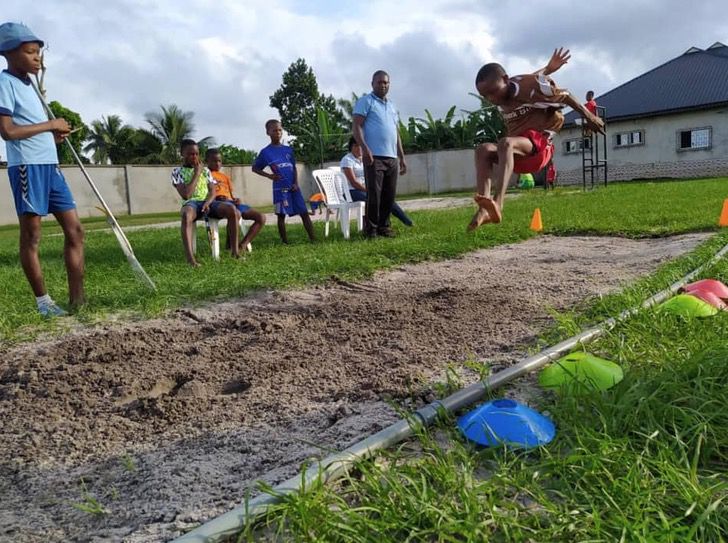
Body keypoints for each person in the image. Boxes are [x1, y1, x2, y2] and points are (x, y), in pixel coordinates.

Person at [0, 22, 84, 317]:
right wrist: (50, 125)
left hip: (50, 166)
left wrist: (53, 135)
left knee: (75, 231)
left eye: (39, 52)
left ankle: (78, 302)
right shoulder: (4, 83)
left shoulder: (32, 86)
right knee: (32, 235)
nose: (37, 57)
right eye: (30, 51)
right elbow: (7, 131)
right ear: (9, 53)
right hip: (27, 168)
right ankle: (44, 303)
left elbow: (31, 127)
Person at [469, 48, 604, 229]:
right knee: (483, 150)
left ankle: (498, 204)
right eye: (485, 96)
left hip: (539, 148)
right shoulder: (505, 92)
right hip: (517, 154)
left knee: (506, 143)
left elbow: (565, 95)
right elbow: (529, 78)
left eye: (494, 92)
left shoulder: (531, 87)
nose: (492, 99)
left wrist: (590, 116)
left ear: (506, 80)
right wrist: (547, 68)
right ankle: (483, 209)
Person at [352, 70, 407, 238]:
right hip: (374, 156)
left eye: (386, 83)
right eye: (379, 82)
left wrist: (402, 157)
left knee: (388, 195)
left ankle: (384, 226)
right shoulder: (365, 102)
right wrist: (365, 149)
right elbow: (357, 126)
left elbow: (395, 133)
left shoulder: (391, 106)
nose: (383, 85)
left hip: (391, 158)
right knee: (374, 195)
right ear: (372, 84)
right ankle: (371, 229)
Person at [172, 139, 240, 266]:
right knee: (186, 215)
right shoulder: (177, 172)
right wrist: (197, 173)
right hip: (191, 204)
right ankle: (191, 260)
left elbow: (213, 191)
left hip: (208, 203)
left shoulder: (206, 171)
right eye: (191, 154)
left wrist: (208, 203)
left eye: (197, 154)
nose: (194, 157)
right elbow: (186, 195)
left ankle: (235, 252)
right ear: (182, 154)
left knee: (232, 210)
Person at [252, 119, 315, 244]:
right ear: (268, 132)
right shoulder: (265, 152)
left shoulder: (288, 150)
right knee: (281, 215)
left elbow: (293, 167)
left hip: (293, 187)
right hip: (280, 189)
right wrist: (269, 176)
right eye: (274, 130)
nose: (278, 133)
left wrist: (296, 183)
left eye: (280, 130)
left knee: (303, 212)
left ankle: (313, 239)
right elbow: (255, 168)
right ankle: (285, 241)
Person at [340, 136, 413, 227]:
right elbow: (354, 182)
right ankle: (377, 225)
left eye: (360, 146)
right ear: (351, 147)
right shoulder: (347, 160)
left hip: (366, 189)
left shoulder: (365, 158)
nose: (358, 148)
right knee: (376, 198)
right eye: (355, 146)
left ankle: (406, 221)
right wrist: (369, 190)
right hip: (352, 192)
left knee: (387, 198)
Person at [205, 148, 266, 250]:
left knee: (261, 217)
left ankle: (243, 245)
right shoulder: (205, 174)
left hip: (230, 202)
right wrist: (216, 197)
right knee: (234, 213)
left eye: (219, 161)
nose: (217, 163)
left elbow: (230, 194)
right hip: (216, 203)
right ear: (207, 161)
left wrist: (235, 199)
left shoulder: (225, 177)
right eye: (214, 161)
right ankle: (231, 247)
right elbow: (203, 193)